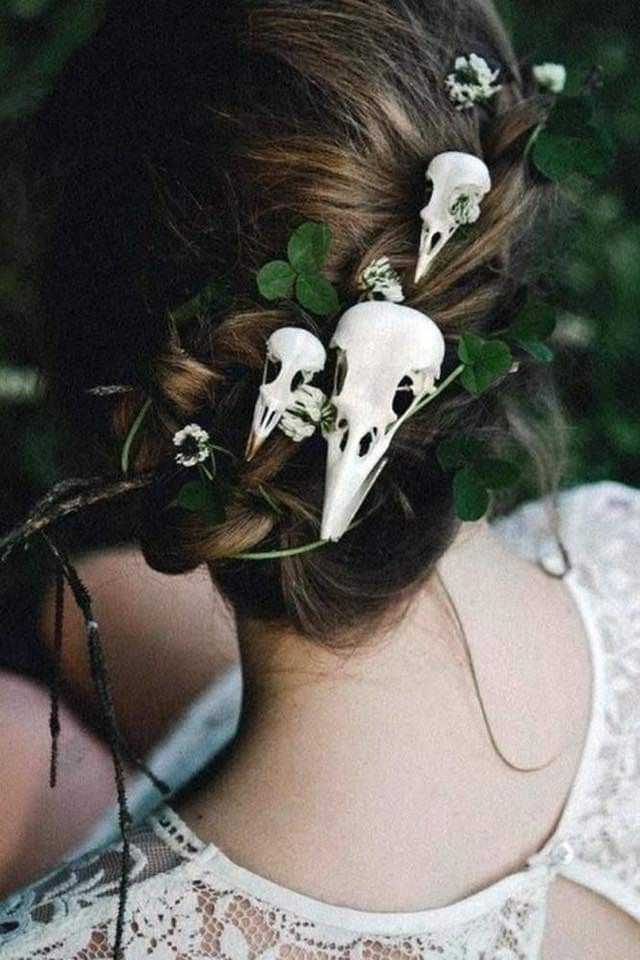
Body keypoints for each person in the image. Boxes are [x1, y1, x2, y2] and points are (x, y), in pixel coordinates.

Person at [1, 1, 638, 959]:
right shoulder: (616, 542)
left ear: (137, 417)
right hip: (470, 732)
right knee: (78, 607)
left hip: (297, 863)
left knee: (13, 737)